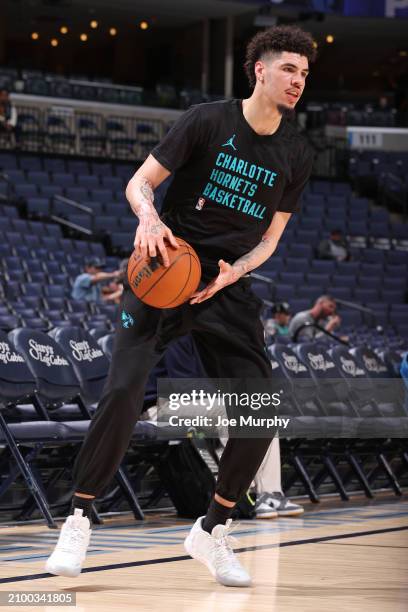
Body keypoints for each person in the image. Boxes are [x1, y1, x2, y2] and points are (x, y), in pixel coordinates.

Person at [46, 25, 316, 588]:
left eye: (305, 73)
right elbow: (139, 184)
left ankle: (213, 529)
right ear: (260, 70)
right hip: (167, 264)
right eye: (289, 68)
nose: (298, 80)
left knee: (262, 410)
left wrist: (234, 274)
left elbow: (271, 239)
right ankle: (78, 516)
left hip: (225, 284)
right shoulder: (207, 120)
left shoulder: (297, 151)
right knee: (123, 390)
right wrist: (149, 218)